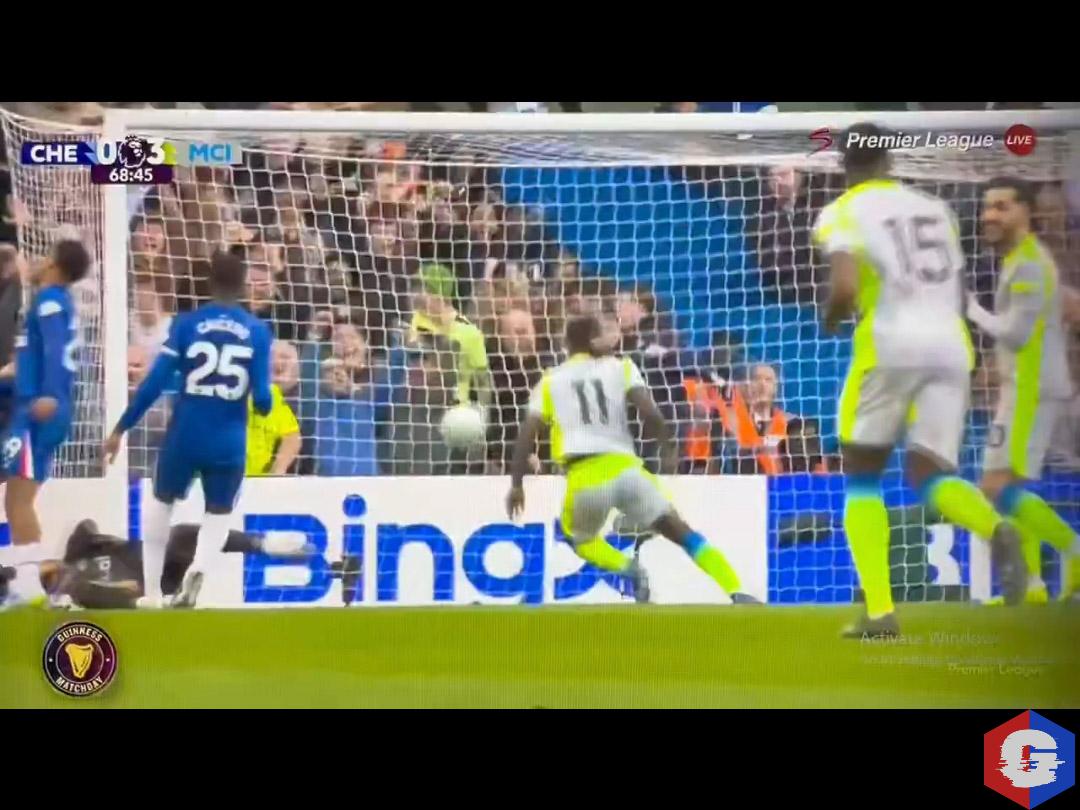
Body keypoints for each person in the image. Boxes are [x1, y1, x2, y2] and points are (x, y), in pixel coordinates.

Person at [813, 123, 1025, 639]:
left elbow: (845, 286)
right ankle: (997, 527)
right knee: (928, 474)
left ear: (844, 164)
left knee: (863, 476)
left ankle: (880, 612)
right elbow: (957, 283)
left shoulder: (842, 211)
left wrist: (832, 317)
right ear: (889, 161)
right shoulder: (937, 208)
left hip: (891, 342)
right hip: (951, 343)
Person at [504, 314, 756, 604]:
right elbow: (650, 412)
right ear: (595, 339)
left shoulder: (551, 380)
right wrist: (668, 449)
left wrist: (517, 485)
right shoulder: (621, 367)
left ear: (567, 345)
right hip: (628, 471)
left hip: (584, 478)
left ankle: (631, 570)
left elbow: (526, 434)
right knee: (682, 532)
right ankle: (736, 589)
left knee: (582, 540)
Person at [104, 250, 272, 608]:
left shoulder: (186, 324)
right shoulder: (258, 332)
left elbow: (153, 384)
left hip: (186, 434)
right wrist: (260, 400)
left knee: (160, 502)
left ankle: (151, 592)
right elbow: (262, 399)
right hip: (229, 440)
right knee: (219, 512)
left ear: (210, 283)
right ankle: (199, 569)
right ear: (242, 286)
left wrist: (121, 428)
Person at [966, 177, 1080, 602]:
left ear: (1026, 212)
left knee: (997, 487)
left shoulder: (1030, 263)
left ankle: (1070, 552)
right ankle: (1033, 587)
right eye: (987, 207)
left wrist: (971, 308)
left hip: (1032, 391)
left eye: (1001, 206)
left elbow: (1015, 334)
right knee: (1002, 488)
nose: (989, 215)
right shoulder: (1019, 260)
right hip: (1024, 388)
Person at [0, 240, 90, 609]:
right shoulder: (54, 301)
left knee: (17, 499)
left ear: (54, 264)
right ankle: (37, 582)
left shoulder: (50, 301)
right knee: (17, 498)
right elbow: (29, 362)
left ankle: (34, 587)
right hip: (38, 409)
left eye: (45, 255)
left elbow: (54, 351)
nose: (38, 260)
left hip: (38, 411)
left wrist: (50, 394)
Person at [0, 519, 314, 610]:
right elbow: (121, 592)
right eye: (48, 578)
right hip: (153, 585)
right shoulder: (81, 591)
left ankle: (264, 544)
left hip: (157, 557)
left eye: (47, 568)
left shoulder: (78, 550)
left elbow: (86, 525)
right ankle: (166, 602)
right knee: (179, 541)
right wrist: (135, 596)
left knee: (183, 535)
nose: (52, 570)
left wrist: (96, 540)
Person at [246, 341, 301, 476]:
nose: (277, 362)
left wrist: (277, 471)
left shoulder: (272, 394)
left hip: (255, 481)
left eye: (284, 357)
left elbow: (292, 436)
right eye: (271, 356)